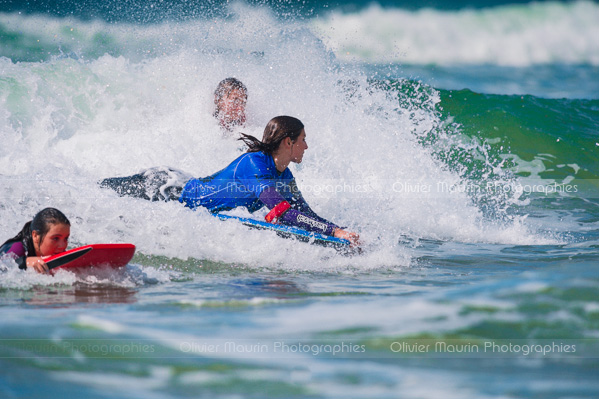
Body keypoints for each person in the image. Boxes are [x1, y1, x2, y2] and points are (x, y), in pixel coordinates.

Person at [101, 116, 360, 246]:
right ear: (287, 142)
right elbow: (282, 211)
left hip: (179, 187)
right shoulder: (254, 164)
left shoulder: (285, 176)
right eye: (302, 139)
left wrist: (339, 232)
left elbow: (303, 212)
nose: (306, 145)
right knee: (101, 192)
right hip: (165, 187)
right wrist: (333, 232)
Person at [0, 208, 71, 273]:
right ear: (35, 236)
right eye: (55, 238)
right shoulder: (17, 248)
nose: (63, 246)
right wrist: (25, 262)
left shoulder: (56, 250)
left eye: (66, 238)